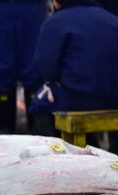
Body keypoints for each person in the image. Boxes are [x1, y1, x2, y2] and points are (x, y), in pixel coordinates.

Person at [31, 0, 118, 146]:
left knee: (39, 106)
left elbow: (44, 68)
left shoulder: (55, 23)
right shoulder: (113, 20)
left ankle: (58, 156)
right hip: (114, 99)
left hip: (77, 100)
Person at [0, 0, 47, 134]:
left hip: (32, 8)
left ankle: (37, 132)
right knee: (1, 70)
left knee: (34, 70)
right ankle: (6, 132)